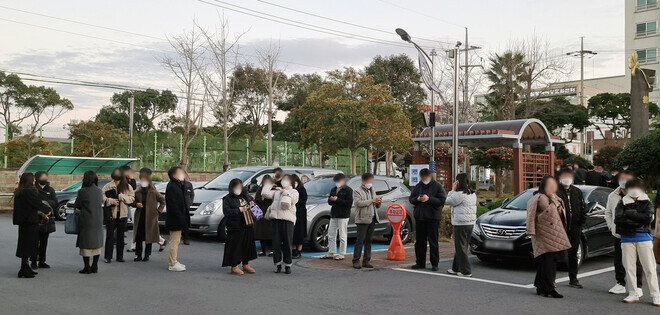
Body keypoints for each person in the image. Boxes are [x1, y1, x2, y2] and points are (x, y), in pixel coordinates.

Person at [614, 179, 660, 306]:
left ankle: (656, 295)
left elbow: (647, 219)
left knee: (650, 268)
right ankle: (633, 293)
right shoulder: (621, 202)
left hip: (644, 238)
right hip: (626, 239)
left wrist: (629, 215)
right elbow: (618, 219)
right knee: (629, 268)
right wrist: (637, 218)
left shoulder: (647, 202)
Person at [527, 176, 571, 298]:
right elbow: (549, 214)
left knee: (547, 261)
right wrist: (553, 200)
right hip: (544, 233)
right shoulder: (540, 197)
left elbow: (561, 212)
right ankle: (549, 288)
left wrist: (554, 199)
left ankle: (540, 286)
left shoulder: (551, 196)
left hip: (553, 233)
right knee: (549, 261)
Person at [605, 170, 644, 295]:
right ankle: (620, 283)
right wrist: (611, 227)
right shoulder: (613, 195)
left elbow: (647, 214)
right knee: (619, 259)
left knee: (636, 260)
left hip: (635, 233)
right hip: (619, 233)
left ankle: (638, 286)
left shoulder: (639, 194)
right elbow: (608, 212)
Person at [409, 169, 446, 271]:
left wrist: (429, 199)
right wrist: (417, 199)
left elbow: (442, 200)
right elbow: (411, 199)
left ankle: (435, 263)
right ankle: (420, 262)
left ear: (430, 176)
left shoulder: (437, 186)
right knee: (420, 242)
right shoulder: (418, 186)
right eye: (423, 177)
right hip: (420, 217)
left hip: (433, 217)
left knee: (433, 241)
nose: (424, 179)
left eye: (426, 177)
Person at [556, 168, 587, 288]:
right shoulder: (556, 191)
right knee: (556, 254)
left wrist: (581, 221)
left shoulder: (577, 191)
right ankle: (551, 280)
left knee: (573, 254)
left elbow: (583, 207)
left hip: (575, 227)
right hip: (560, 227)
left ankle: (573, 279)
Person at [14, 172, 49, 278]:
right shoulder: (29, 192)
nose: (35, 181)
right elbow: (37, 203)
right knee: (29, 245)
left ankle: (25, 267)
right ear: (29, 180)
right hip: (30, 221)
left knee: (24, 244)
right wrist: (47, 210)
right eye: (33, 179)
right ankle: (24, 269)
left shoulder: (20, 191)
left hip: (23, 221)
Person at [262, 174, 299, 274]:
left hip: (287, 220)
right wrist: (270, 184)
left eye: (286, 179)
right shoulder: (277, 191)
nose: (284, 181)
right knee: (276, 243)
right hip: (276, 219)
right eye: (283, 179)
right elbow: (265, 194)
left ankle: (288, 265)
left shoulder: (293, 191)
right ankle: (277, 265)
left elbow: (295, 200)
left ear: (291, 182)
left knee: (287, 243)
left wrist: (286, 192)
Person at [222, 178, 258, 275]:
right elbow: (227, 212)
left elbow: (255, 208)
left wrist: (253, 205)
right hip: (235, 226)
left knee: (247, 245)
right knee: (235, 246)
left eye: (240, 187)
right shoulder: (228, 199)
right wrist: (239, 210)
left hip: (247, 224)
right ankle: (234, 266)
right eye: (236, 187)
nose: (238, 189)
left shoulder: (246, 196)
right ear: (232, 188)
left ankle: (245, 264)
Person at [446, 173, 477, 277]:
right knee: (462, 246)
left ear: (458, 182)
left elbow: (448, 200)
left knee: (460, 247)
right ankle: (456, 268)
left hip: (461, 223)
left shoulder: (459, 194)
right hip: (470, 223)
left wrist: (452, 189)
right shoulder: (472, 193)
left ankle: (466, 271)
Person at [102, 168, 135, 263]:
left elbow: (132, 198)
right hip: (111, 214)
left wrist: (122, 197)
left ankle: (120, 256)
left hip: (122, 214)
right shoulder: (108, 186)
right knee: (110, 235)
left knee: (121, 236)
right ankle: (108, 256)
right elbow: (103, 198)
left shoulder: (127, 186)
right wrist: (110, 201)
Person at [74, 171, 104, 274]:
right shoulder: (99, 191)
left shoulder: (83, 191)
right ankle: (95, 265)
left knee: (85, 244)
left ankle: (87, 267)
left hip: (86, 220)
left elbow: (77, 205)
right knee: (96, 243)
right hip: (98, 219)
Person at [133, 168, 165, 262]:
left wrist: (158, 211)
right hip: (140, 216)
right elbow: (132, 202)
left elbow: (163, 201)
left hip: (150, 217)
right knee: (139, 236)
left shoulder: (153, 192)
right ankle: (138, 254)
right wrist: (136, 204)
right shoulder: (138, 192)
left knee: (149, 236)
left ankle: (147, 255)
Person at [353, 173, 382, 270]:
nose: (371, 183)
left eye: (372, 181)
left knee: (369, 240)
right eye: (370, 181)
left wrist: (378, 202)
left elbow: (375, 205)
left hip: (373, 218)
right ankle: (356, 260)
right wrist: (371, 201)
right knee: (360, 240)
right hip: (362, 219)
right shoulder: (357, 191)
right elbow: (358, 203)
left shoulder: (372, 191)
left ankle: (366, 260)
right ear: (364, 181)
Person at [323, 173, 353, 260]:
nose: (337, 183)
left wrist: (337, 200)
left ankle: (342, 253)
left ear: (343, 181)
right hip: (334, 214)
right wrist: (331, 199)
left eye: (338, 181)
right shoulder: (333, 189)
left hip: (343, 215)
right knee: (331, 233)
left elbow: (348, 203)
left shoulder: (348, 190)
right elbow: (329, 202)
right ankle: (331, 252)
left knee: (342, 234)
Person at [165, 166, 189, 272]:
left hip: (178, 217)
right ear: (174, 175)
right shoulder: (172, 187)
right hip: (175, 218)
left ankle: (174, 260)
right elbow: (173, 205)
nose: (183, 174)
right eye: (180, 172)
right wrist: (180, 218)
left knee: (176, 240)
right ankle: (172, 263)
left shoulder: (178, 185)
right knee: (174, 241)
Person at [32, 171, 57, 269]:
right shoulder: (34, 189)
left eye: (46, 177)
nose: (45, 179)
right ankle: (33, 261)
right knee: (34, 241)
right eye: (43, 177)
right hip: (37, 218)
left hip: (48, 217)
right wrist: (42, 206)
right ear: (37, 178)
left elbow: (55, 201)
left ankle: (42, 261)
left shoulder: (50, 189)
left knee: (44, 241)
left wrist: (46, 205)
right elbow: (35, 203)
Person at [253, 176, 274, 257]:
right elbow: (256, 200)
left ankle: (272, 250)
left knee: (271, 232)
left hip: (270, 211)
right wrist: (261, 199)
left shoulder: (273, 188)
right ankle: (263, 250)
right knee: (261, 232)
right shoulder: (260, 189)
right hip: (261, 213)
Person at [291, 174, 308, 259]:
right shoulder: (290, 190)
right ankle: (293, 250)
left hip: (300, 213)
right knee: (293, 232)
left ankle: (299, 250)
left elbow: (303, 201)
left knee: (300, 231)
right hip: (292, 213)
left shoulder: (302, 189)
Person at [181, 172, 195, 246]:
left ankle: (186, 237)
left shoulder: (188, 184)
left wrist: (190, 202)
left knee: (186, 223)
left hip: (186, 206)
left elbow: (192, 194)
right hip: (179, 206)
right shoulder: (177, 184)